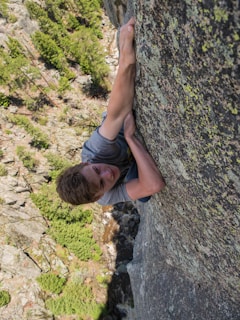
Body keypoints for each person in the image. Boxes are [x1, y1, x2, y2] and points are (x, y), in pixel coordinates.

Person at [56, 17, 165, 206]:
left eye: (97, 170)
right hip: (129, 152)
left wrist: (126, 58)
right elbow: (154, 185)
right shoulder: (105, 198)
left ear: (86, 164)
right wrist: (132, 139)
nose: (107, 173)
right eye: (101, 183)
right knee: (144, 195)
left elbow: (117, 112)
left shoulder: (96, 149)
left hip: (121, 126)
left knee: (142, 189)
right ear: (99, 196)